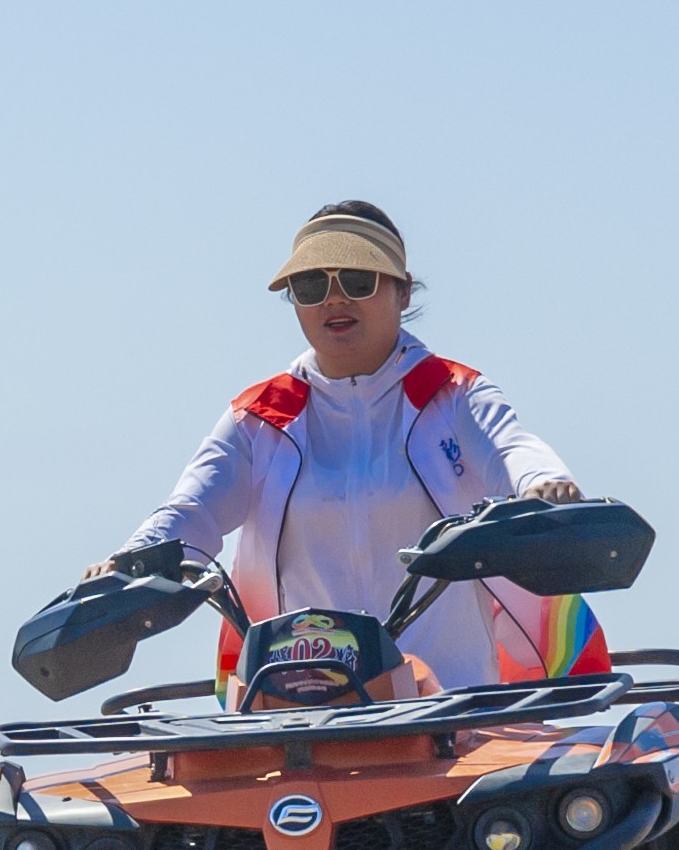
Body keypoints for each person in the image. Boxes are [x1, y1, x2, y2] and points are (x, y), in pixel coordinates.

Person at [108, 201, 606, 696]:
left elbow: (513, 451)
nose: (333, 299)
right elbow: (190, 512)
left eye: (357, 280)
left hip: (454, 717)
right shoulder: (259, 416)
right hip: (300, 725)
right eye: (311, 286)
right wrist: (127, 560)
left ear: (403, 291)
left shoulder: (454, 393)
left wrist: (541, 485)